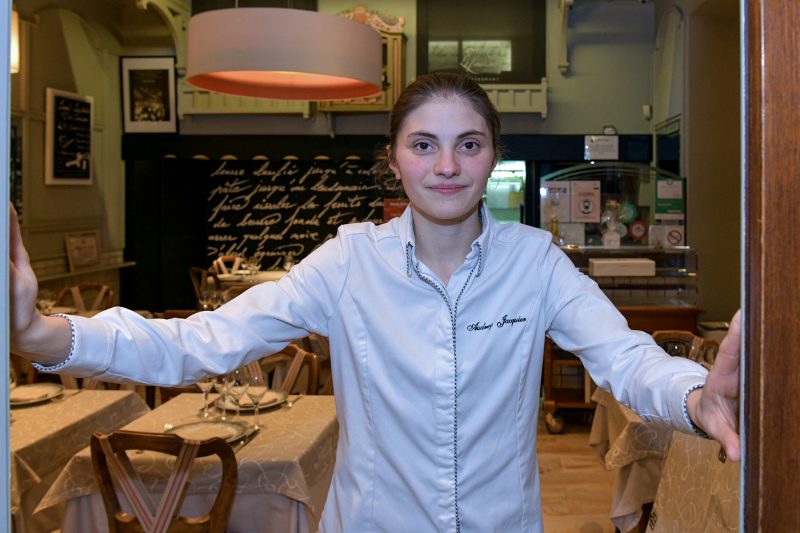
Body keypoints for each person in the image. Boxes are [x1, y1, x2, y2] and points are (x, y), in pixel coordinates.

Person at [10, 72, 741, 532]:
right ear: (393, 160)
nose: (447, 165)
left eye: (469, 144)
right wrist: (46, 335)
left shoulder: (534, 262)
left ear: (492, 156)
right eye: (423, 145)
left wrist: (694, 396)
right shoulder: (347, 263)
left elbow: (622, 356)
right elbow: (202, 340)